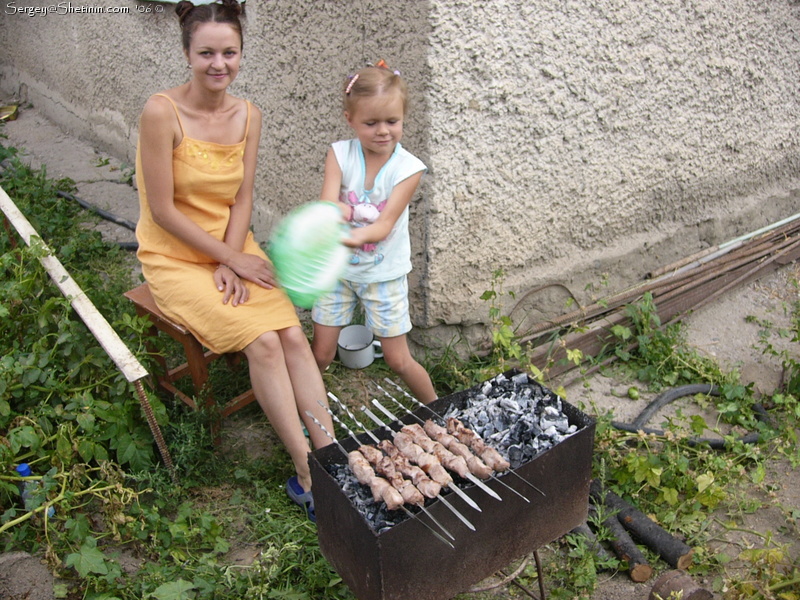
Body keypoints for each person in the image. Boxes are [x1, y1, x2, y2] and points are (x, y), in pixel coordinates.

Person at [134, 0, 333, 522]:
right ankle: (307, 471)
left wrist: (233, 255)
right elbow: (162, 209)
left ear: (241, 54)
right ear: (186, 54)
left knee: (292, 333)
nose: (218, 64)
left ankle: (330, 453)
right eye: (206, 53)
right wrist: (225, 258)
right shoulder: (162, 112)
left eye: (229, 52)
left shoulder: (249, 114)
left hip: (230, 240)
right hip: (175, 255)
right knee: (264, 343)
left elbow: (242, 197)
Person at [311, 61, 437, 404]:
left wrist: (347, 231)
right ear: (350, 119)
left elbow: (383, 225)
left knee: (398, 359)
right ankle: (305, 410)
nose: (383, 131)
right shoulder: (339, 154)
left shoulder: (409, 169)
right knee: (320, 355)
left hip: (383, 275)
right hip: (338, 272)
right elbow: (326, 208)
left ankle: (438, 409)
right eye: (371, 122)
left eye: (392, 121)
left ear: (403, 117)